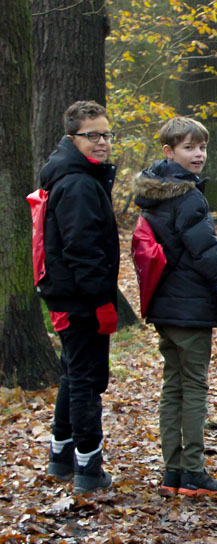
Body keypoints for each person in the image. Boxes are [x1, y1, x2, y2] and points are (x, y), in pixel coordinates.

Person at [134, 116, 217, 497]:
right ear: (169, 151)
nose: (199, 154)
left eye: (202, 147)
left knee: (173, 387)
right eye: (189, 147)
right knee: (193, 387)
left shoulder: (155, 193)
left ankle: (173, 470)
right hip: (190, 307)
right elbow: (206, 253)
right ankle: (193, 471)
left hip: (164, 306)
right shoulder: (188, 196)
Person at [38, 101, 121, 495]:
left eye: (106, 134)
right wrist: (101, 301)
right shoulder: (78, 184)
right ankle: (88, 466)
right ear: (73, 138)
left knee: (73, 374)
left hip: (68, 296)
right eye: (93, 136)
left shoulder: (75, 176)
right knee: (87, 380)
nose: (102, 142)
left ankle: (61, 453)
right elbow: (82, 249)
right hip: (78, 299)